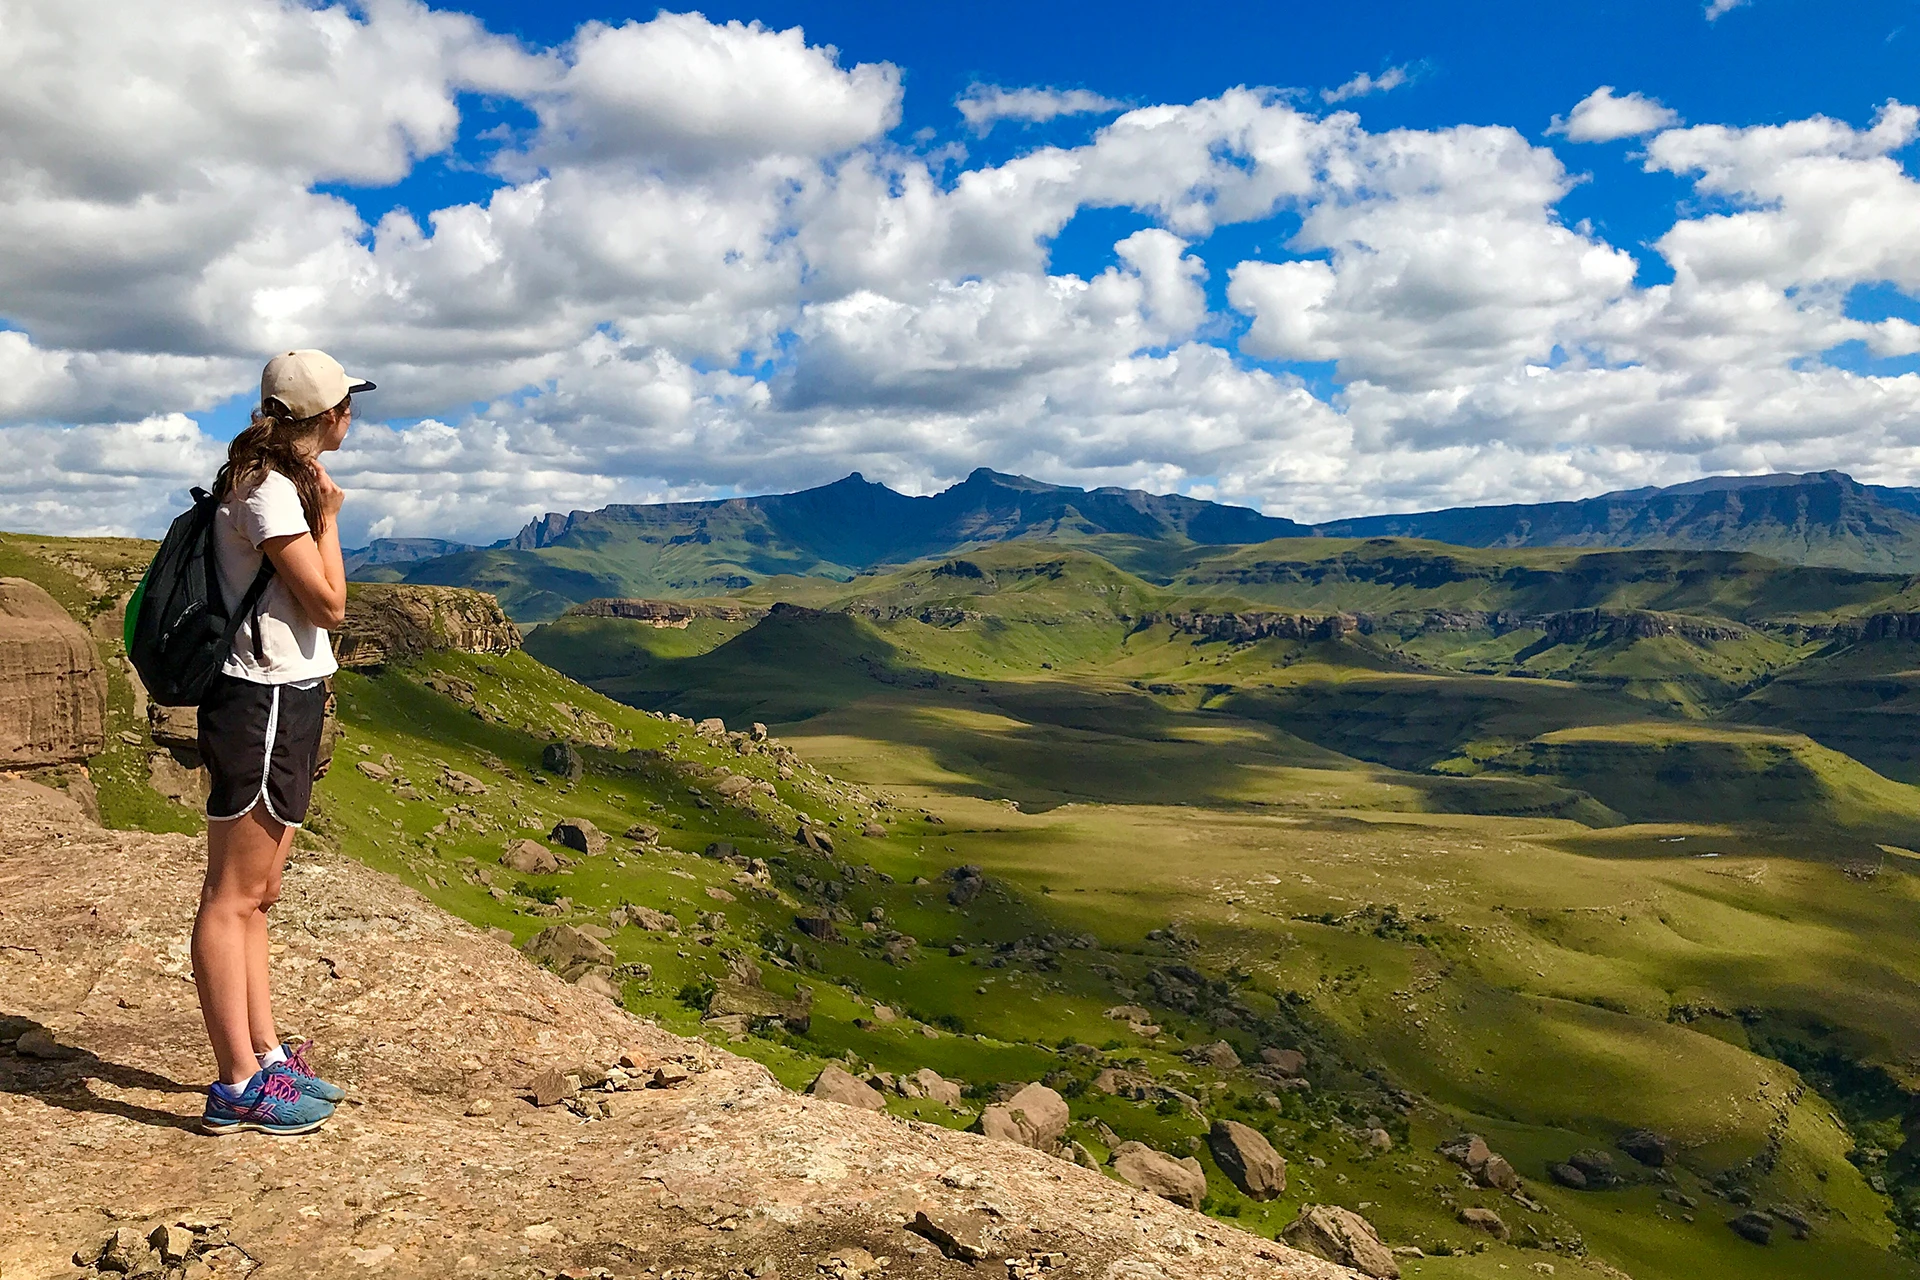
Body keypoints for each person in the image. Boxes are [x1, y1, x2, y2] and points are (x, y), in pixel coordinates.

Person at [192, 349, 371, 1135]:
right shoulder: (266, 491)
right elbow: (329, 604)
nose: (352, 416)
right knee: (231, 897)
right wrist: (329, 519)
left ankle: (264, 1057)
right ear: (325, 416)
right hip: (257, 698)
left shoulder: (275, 482)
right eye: (347, 405)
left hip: (285, 695)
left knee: (259, 896)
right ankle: (236, 1084)